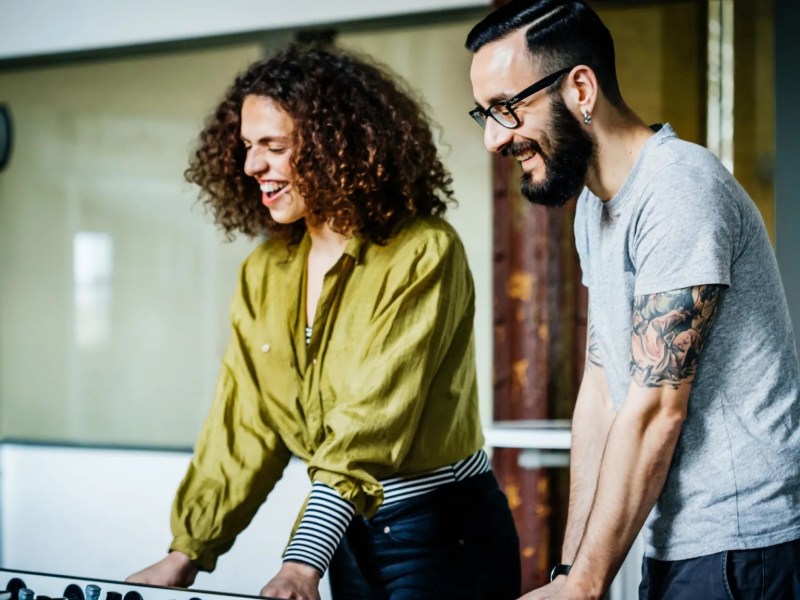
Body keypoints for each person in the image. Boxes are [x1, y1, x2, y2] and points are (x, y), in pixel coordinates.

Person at [126, 44, 521, 600]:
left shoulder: (423, 252)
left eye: (273, 146)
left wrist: (301, 562)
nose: (251, 166)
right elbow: (247, 424)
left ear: (337, 146)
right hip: (347, 534)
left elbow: (368, 423)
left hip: (441, 535)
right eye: (245, 147)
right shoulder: (264, 272)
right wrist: (188, 549)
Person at [466, 1, 800, 599]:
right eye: (484, 114)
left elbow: (655, 409)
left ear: (581, 88)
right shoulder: (596, 208)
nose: (494, 138)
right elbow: (603, 387)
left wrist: (589, 584)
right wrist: (571, 573)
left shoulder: (677, 189)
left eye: (506, 109)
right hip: (677, 543)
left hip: (744, 546)